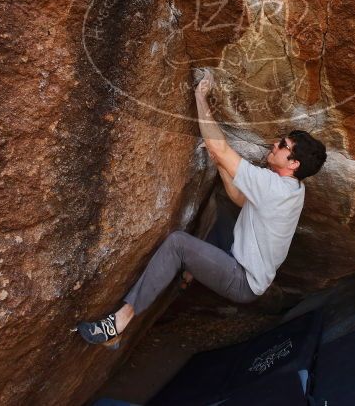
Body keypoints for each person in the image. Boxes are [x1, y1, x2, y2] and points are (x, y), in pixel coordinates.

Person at [76, 70, 327, 347]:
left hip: (242, 280)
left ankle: (120, 323)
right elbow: (239, 199)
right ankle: (189, 273)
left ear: (294, 164)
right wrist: (221, 165)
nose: (274, 144)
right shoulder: (294, 191)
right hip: (245, 267)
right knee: (223, 216)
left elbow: (219, 148)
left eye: (282, 146)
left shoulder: (275, 188)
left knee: (178, 244)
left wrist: (200, 95)